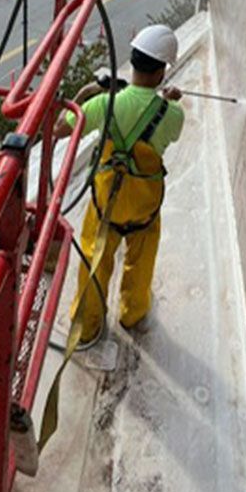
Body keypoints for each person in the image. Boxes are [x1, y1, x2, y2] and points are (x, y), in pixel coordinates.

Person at [55, 24, 183, 343]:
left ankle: (87, 325)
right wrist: (165, 100)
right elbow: (167, 128)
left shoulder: (103, 105)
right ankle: (133, 314)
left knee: (94, 260)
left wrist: (87, 93)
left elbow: (59, 128)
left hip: (105, 204)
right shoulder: (173, 114)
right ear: (162, 70)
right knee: (141, 264)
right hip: (144, 208)